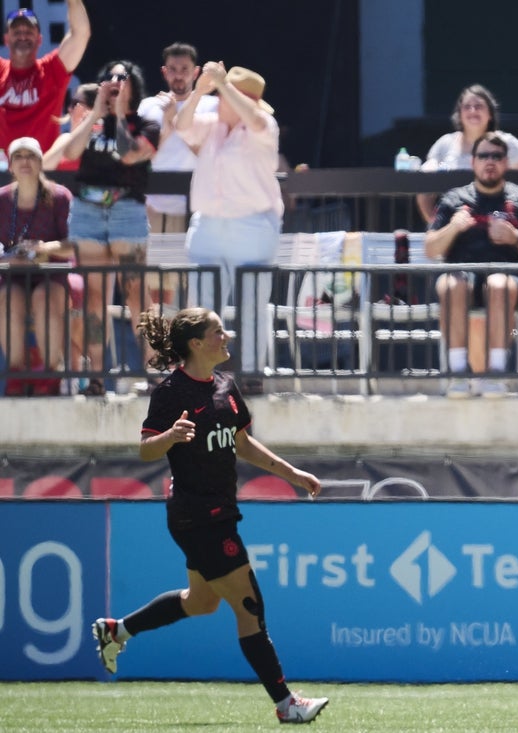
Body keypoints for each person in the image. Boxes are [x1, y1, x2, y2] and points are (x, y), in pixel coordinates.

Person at [90, 307, 328, 724]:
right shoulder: (170, 392)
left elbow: (243, 443)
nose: (226, 335)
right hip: (197, 516)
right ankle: (286, 704)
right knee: (249, 605)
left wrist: (293, 474)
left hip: (218, 513)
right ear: (197, 343)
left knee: (200, 602)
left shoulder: (225, 386)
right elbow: (146, 450)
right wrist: (170, 436)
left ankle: (117, 631)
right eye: (218, 331)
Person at [175, 62, 281, 393]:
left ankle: (251, 374)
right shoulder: (212, 125)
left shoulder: (264, 126)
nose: (219, 101)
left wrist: (224, 85)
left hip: (252, 226)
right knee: (202, 307)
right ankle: (200, 374)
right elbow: (181, 125)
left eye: (223, 96)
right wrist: (198, 92)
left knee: (252, 302)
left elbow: (255, 119)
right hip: (209, 224)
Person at [62, 60, 159, 396]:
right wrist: (95, 114)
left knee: (136, 293)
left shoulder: (146, 125)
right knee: (94, 297)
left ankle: (154, 371)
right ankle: (97, 377)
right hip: (87, 211)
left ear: (134, 85)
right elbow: (70, 151)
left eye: (122, 77)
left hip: (126, 211)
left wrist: (118, 114)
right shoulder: (93, 122)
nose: (114, 81)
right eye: (109, 77)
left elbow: (129, 155)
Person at [424, 131, 518, 398]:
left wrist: (516, 237)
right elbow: (430, 249)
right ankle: (458, 373)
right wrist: (453, 228)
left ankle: (496, 373)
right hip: (461, 275)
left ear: (506, 162)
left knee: (498, 283)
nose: (490, 161)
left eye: (497, 156)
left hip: (509, 279)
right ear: (473, 161)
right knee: (451, 284)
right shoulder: (453, 199)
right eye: (483, 155)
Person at [0, 136, 75, 393]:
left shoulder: (60, 196)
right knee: (8, 300)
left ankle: (50, 375)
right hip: (12, 274)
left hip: (51, 272)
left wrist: (43, 248)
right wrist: (8, 258)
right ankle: (16, 374)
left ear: (41, 162)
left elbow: (74, 243)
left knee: (45, 300)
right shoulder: (2, 199)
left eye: (31, 156)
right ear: (10, 165)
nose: (25, 162)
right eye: (18, 157)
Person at [416, 84, 518, 223]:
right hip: (454, 225)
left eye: (479, 106)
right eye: (467, 106)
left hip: (499, 223)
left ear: (490, 114)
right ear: (459, 114)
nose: (473, 110)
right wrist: (436, 227)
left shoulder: (509, 144)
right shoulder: (444, 144)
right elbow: (424, 189)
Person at [138, 42, 219, 234]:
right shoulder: (148, 106)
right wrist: (167, 124)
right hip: (154, 205)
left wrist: (179, 122)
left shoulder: (213, 105)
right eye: (173, 70)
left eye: (184, 69)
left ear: (196, 72)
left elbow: (214, 156)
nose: (179, 75)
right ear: (164, 72)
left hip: (199, 206)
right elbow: (141, 157)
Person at [0, 2, 91, 153]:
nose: (22, 36)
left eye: (29, 31)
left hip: (44, 164)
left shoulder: (52, 70)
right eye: (16, 32)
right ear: (6, 39)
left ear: (39, 39)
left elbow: (80, 34)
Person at [42, 82, 97, 171]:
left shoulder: (100, 143)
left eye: (75, 103)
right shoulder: (65, 138)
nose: (69, 108)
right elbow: (42, 169)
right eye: (70, 103)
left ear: (92, 109)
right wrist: (71, 135)